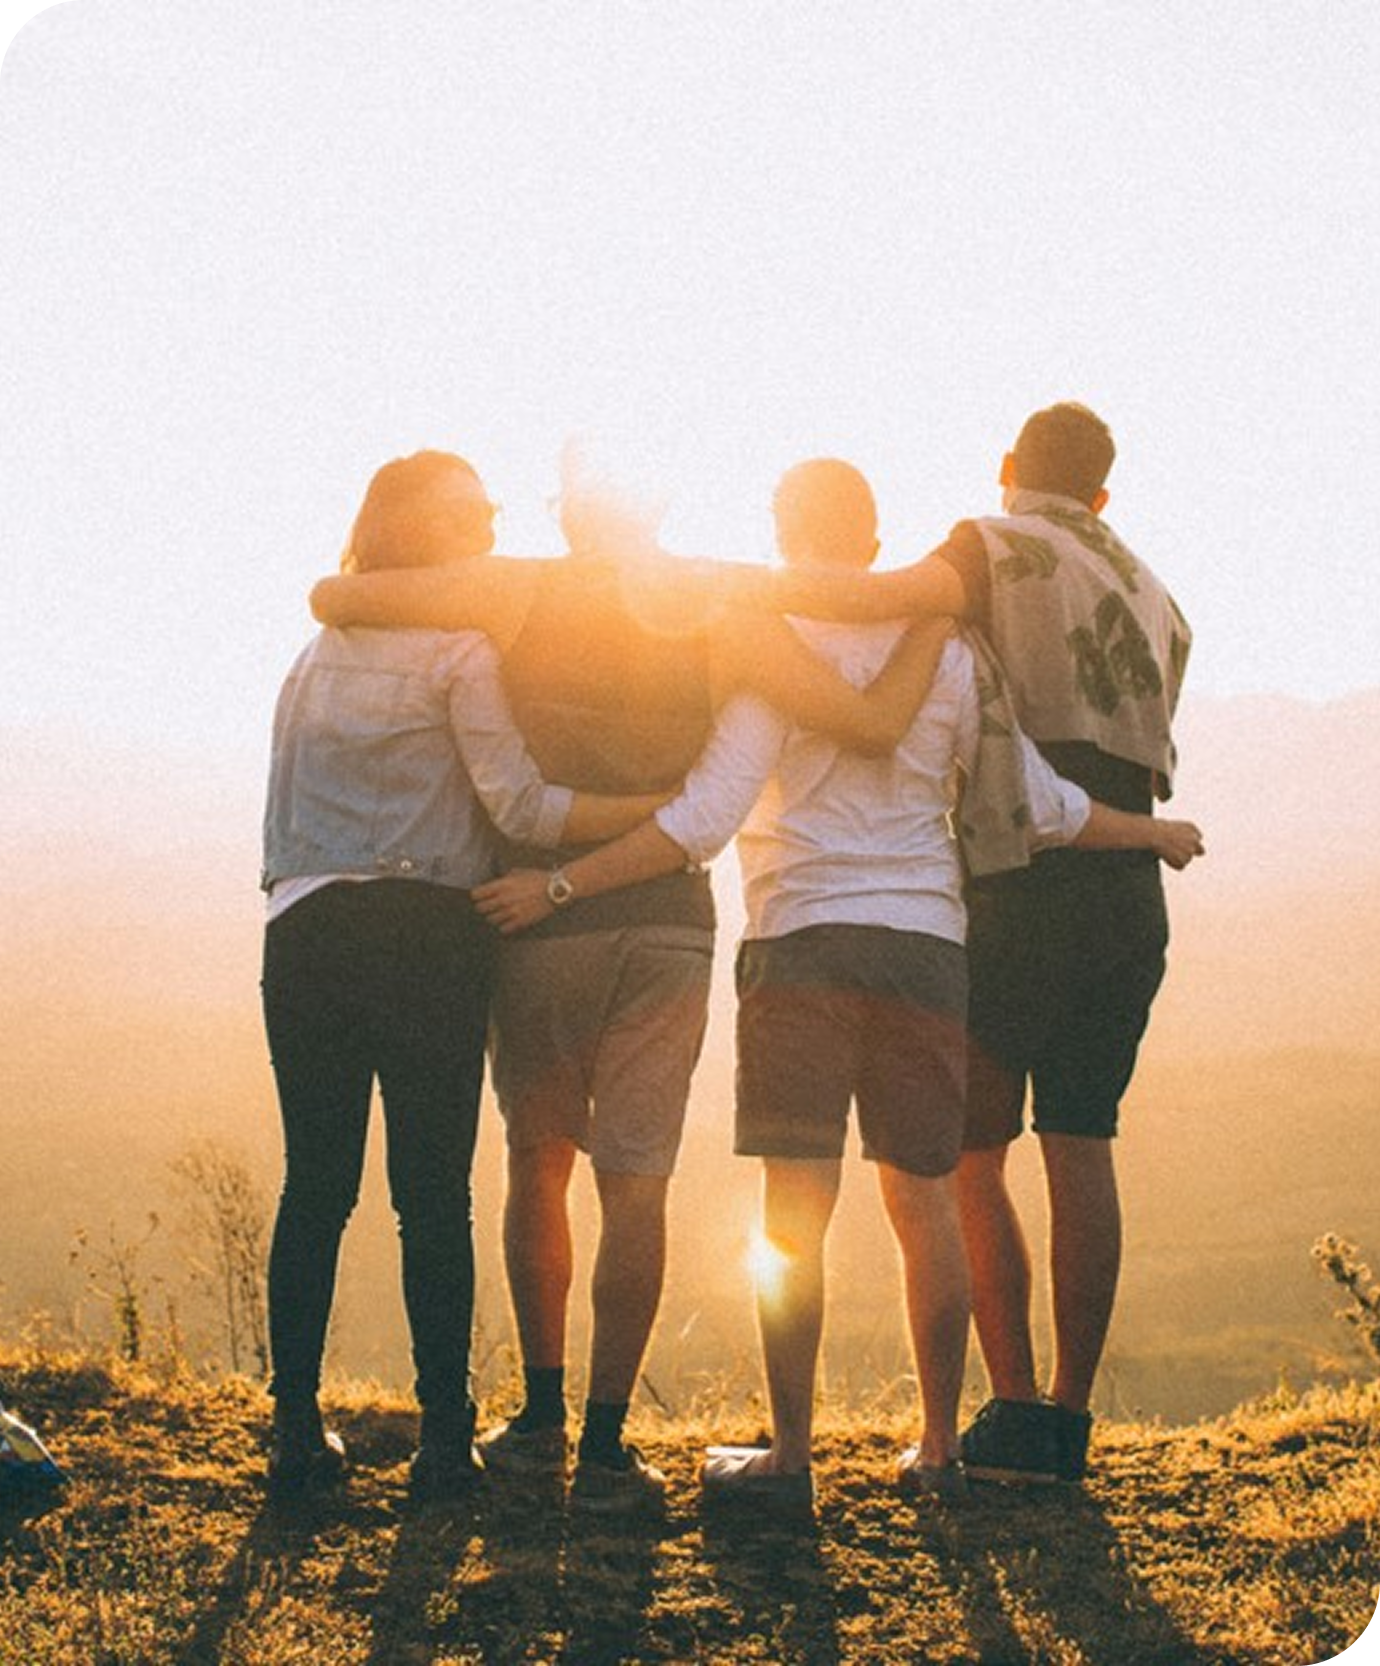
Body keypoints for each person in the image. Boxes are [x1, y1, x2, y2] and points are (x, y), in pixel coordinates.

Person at [472, 456, 1203, 1508]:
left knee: (793, 1213)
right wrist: (1154, 831)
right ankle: (942, 1448)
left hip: (801, 943)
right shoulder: (950, 651)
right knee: (926, 1206)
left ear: (783, 533)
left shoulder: (770, 645)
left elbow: (704, 819)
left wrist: (560, 883)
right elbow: (1040, 803)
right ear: (872, 543)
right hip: (926, 949)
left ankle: (792, 1457)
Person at [309, 447, 948, 1515]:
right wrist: (934, 610)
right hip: (667, 922)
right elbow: (849, 699)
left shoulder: (517, 588)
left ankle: (541, 1416)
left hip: (536, 917)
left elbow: (343, 595)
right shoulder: (717, 599)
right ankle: (607, 1447)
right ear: (658, 501)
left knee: (537, 1159)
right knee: (636, 1181)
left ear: (568, 515)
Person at [755, 405, 1196, 1484]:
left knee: (970, 1156)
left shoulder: (986, 545)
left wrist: (723, 594)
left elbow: (873, 600)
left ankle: (1004, 1408)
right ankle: (1068, 1419)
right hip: (1125, 886)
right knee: (1084, 1142)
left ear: (1008, 470)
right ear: (1102, 492)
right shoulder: (1153, 591)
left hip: (1019, 880)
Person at [259, 450, 664, 1501]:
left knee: (316, 1186)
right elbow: (522, 810)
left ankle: (295, 1434)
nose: (488, 523)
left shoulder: (314, 654)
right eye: (469, 512)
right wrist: (651, 813)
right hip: (428, 934)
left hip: (306, 930)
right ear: (424, 533)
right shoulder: (460, 650)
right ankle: (445, 1443)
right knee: (430, 1194)